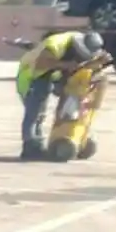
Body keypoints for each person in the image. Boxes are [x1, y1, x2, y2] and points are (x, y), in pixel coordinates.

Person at [16, 30, 103, 159]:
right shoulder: (55, 45)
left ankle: (40, 143)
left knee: (46, 111)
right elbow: (41, 64)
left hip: (50, 74)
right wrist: (65, 65)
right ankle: (30, 148)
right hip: (32, 75)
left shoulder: (79, 41)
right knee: (34, 112)